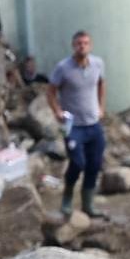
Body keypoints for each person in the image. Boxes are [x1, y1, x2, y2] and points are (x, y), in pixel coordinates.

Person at [47, 30, 108, 219]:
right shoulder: (63, 68)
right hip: (73, 125)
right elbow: (50, 91)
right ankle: (67, 197)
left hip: (93, 123)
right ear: (73, 46)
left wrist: (101, 107)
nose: (82, 46)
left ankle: (88, 204)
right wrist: (57, 111)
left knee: (94, 164)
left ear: (90, 45)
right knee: (78, 162)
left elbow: (101, 84)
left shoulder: (98, 64)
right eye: (79, 43)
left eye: (86, 43)